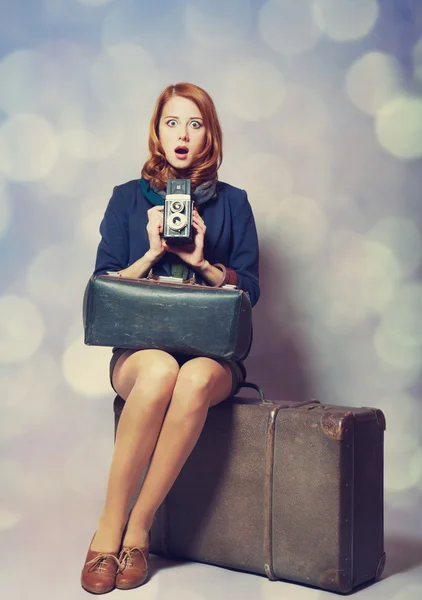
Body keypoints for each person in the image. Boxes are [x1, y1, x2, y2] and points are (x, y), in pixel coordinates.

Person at [81, 82, 260, 594]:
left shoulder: (234, 204)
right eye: (173, 123)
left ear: (210, 137)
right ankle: (107, 530)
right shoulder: (124, 200)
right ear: (157, 134)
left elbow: (250, 291)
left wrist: (201, 263)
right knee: (161, 370)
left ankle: (138, 532)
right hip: (141, 351)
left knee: (195, 375)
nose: (183, 134)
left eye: (195, 124)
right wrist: (151, 253)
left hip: (212, 354)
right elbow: (103, 285)